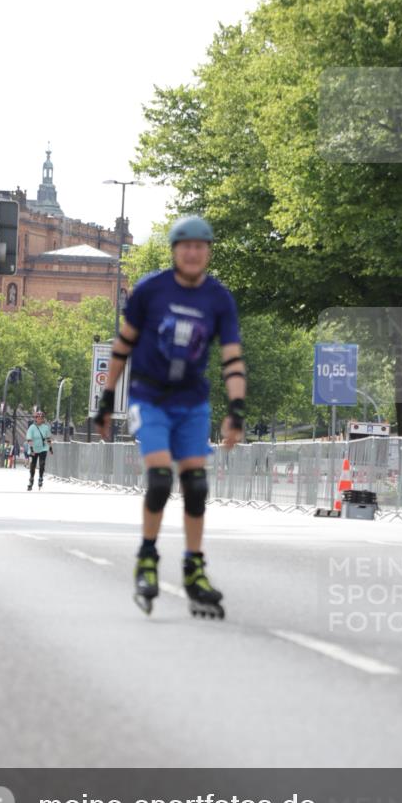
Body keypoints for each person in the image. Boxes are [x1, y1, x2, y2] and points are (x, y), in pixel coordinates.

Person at [94, 215, 246, 618]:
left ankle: (194, 568)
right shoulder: (151, 291)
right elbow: (122, 346)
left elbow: (232, 359)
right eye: (186, 246)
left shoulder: (218, 299)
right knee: (161, 479)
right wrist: (107, 400)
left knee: (195, 486)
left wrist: (237, 410)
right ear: (175, 252)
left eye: (201, 246)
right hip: (150, 397)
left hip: (192, 401)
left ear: (209, 252)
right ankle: (147, 557)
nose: (193, 253)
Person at [26, 410, 53, 490]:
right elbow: (29, 439)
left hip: (43, 448)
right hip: (33, 448)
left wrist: (50, 447)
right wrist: (31, 449)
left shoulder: (45, 427)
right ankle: (31, 479)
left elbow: (48, 438)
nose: (40, 419)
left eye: (42, 418)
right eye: (38, 418)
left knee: (42, 464)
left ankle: (40, 478)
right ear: (36, 418)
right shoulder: (32, 427)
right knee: (33, 465)